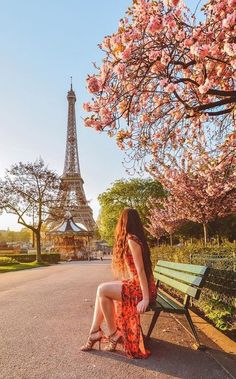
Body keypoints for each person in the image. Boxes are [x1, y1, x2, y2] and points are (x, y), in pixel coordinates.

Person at [80, 208, 157, 358]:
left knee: (102, 290)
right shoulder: (135, 239)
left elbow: (141, 271)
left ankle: (111, 334)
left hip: (142, 289)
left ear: (124, 222)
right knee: (102, 291)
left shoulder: (132, 240)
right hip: (138, 285)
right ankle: (95, 332)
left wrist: (146, 299)